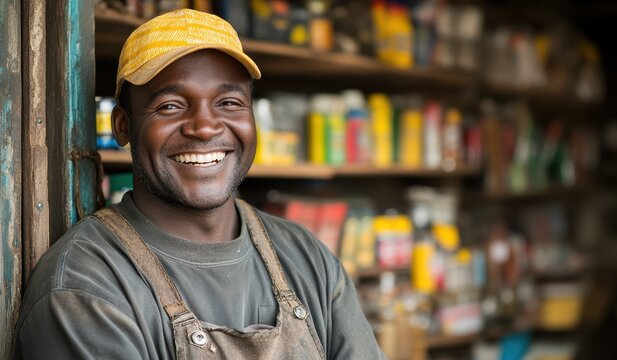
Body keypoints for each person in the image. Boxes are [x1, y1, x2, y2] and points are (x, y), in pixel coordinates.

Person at [14, 8, 384, 360]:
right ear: (123, 126)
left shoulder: (308, 259)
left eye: (229, 102)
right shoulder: (86, 286)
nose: (205, 127)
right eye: (171, 106)